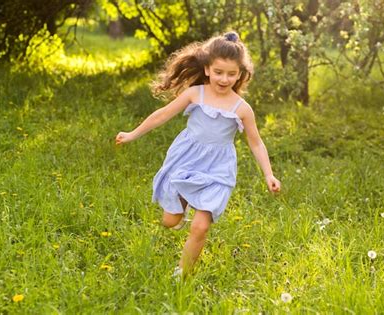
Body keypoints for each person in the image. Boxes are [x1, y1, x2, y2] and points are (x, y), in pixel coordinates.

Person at [115, 31, 281, 278]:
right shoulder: (196, 94)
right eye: (218, 72)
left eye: (231, 74)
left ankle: (182, 274)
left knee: (200, 227)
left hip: (217, 169)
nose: (224, 79)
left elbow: (256, 143)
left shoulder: (242, 109)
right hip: (186, 160)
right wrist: (132, 134)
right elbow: (162, 115)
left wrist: (268, 174)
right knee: (169, 222)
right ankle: (183, 203)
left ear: (240, 75)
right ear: (207, 69)